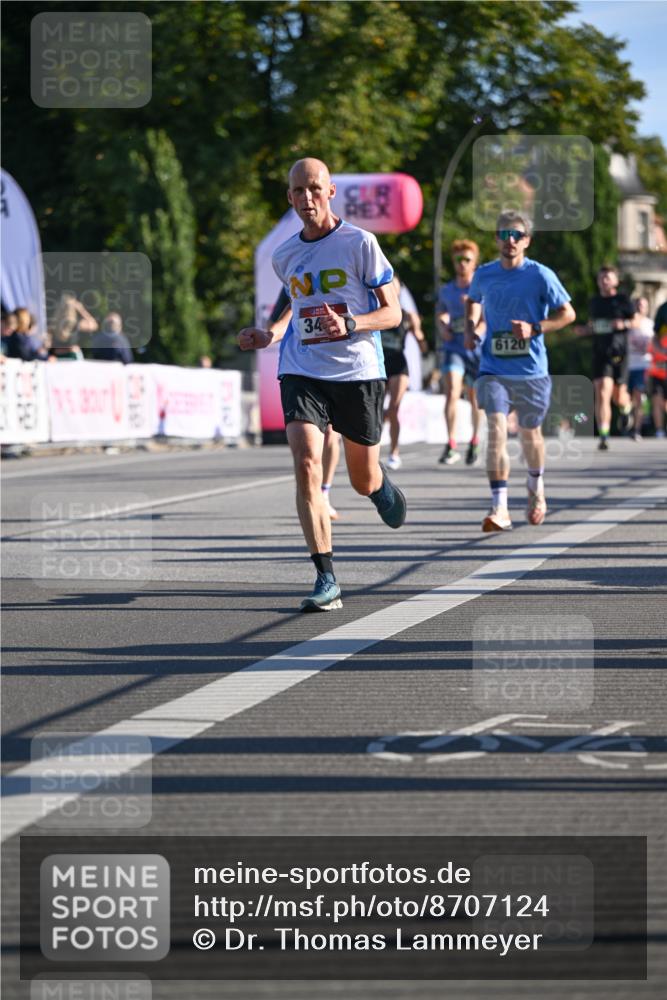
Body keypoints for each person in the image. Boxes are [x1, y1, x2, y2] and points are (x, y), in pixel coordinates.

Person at [238, 157, 406, 611]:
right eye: (298, 191)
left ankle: (378, 487)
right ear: (290, 198)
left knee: (361, 478)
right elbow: (294, 303)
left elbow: (393, 313)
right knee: (307, 462)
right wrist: (271, 334)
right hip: (303, 368)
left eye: (315, 188)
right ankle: (326, 577)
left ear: (330, 192)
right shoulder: (284, 255)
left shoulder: (360, 243)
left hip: (357, 371)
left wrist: (350, 324)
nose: (307, 198)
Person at [465, 210, 576, 531]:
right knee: (496, 430)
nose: (510, 240)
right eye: (504, 234)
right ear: (496, 238)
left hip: (531, 370)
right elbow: (473, 299)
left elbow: (568, 314)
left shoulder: (540, 275)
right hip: (493, 368)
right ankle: (499, 508)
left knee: (530, 435)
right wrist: (471, 327)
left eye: (517, 235)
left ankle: (536, 486)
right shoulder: (484, 274)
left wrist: (535, 328)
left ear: (527, 241)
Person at [437, 239, 483, 466]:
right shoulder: (447, 290)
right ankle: (451, 443)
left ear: (474, 263)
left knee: (475, 398)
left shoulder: (480, 288)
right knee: (452, 392)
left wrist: (474, 335)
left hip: (476, 350)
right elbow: (441, 314)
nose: (462, 263)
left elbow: (487, 321)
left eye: (467, 259)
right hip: (453, 347)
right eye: (459, 260)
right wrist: (443, 327)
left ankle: (474, 440)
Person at [579, 265, 635, 450]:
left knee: (619, 397)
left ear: (616, 281)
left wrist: (624, 323)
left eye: (608, 278)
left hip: (619, 353)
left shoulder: (623, 300)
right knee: (602, 391)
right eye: (601, 278)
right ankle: (604, 435)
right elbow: (593, 324)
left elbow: (637, 320)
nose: (604, 281)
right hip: (600, 352)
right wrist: (586, 330)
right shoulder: (594, 302)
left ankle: (626, 408)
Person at [380, 276, 427, 470]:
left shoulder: (407, 315)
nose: (392, 288)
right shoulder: (375, 312)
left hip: (398, 363)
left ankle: (394, 452)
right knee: (375, 410)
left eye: (395, 285)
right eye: (388, 285)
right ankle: (373, 452)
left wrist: (418, 332)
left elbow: (423, 348)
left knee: (394, 408)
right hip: (378, 364)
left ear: (399, 290)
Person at [626, 296, 654, 441]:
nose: (640, 308)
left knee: (639, 396)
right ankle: (627, 415)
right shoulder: (628, 323)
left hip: (643, 365)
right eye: (638, 305)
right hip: (627, 366)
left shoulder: (651, 324)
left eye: (643, 305)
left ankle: (637, 429)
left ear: (647, 308)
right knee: (625, 399)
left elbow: (655, 345)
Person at [648, 299, 667, 437]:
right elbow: (655, 336)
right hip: (659, 367)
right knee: (656, 399)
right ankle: (659, 430)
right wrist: (661, 350)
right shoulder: (663, 309)